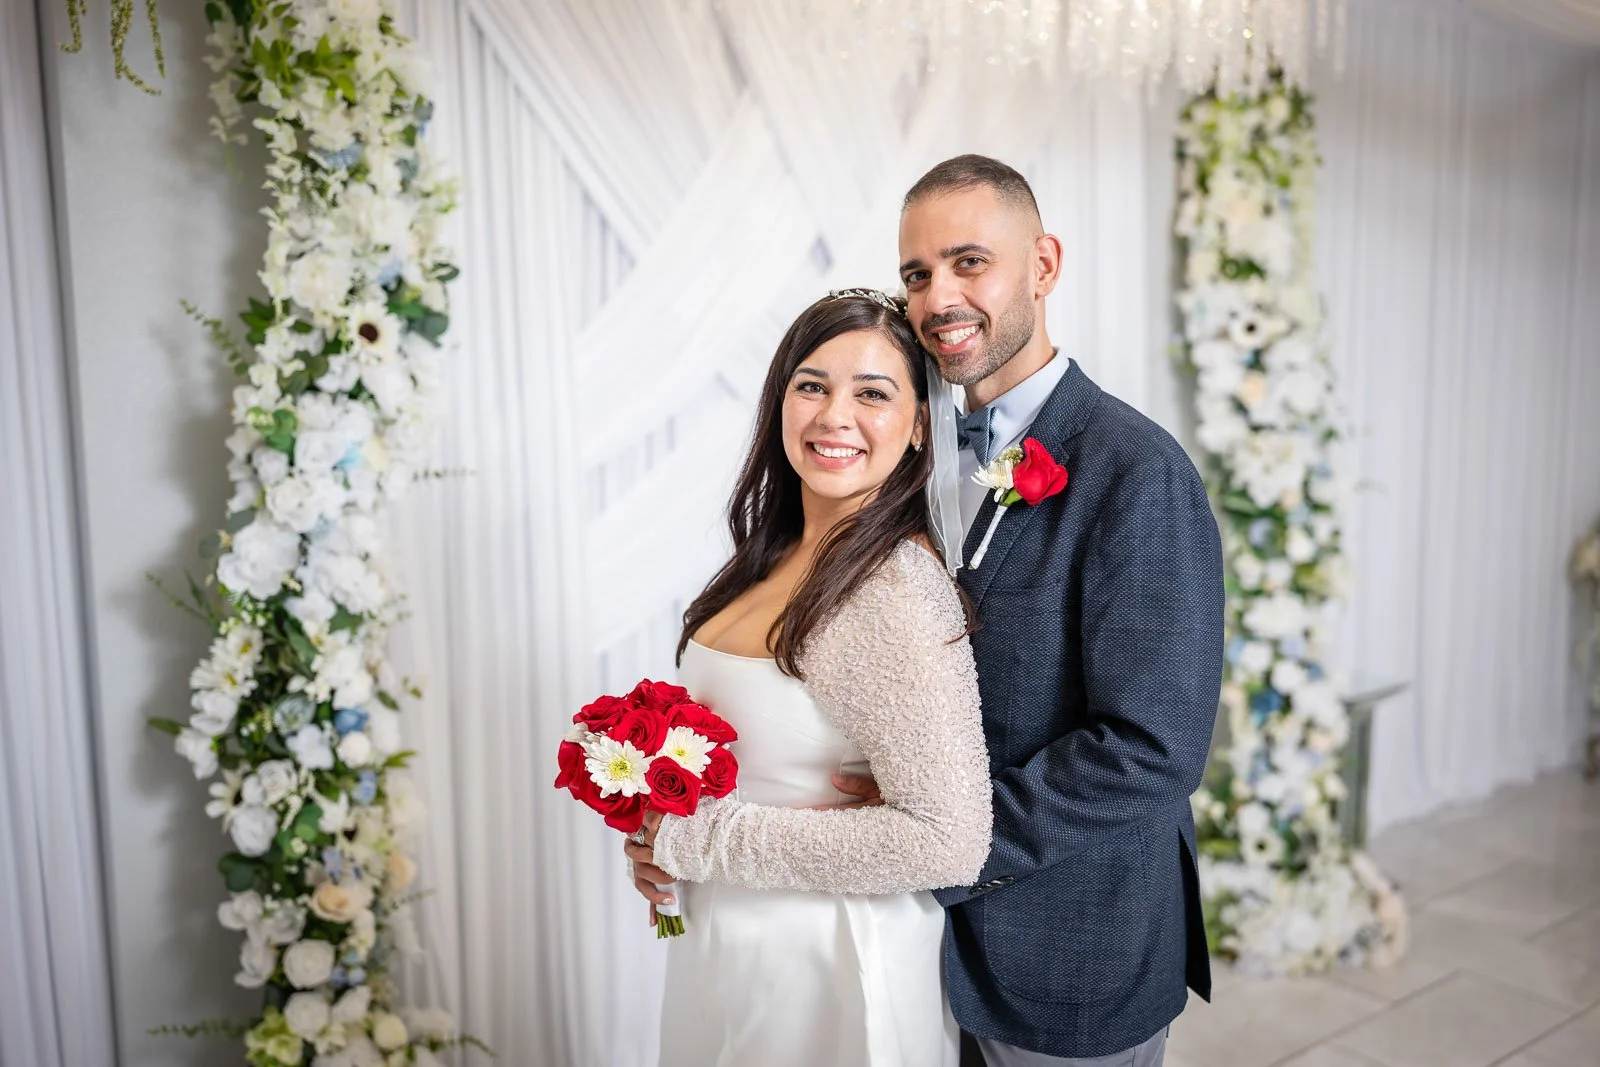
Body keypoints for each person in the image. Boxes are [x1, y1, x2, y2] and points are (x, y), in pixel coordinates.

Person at [837, 154, 1224, 1067]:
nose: (938, 298)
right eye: (917, 273)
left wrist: (935, 842)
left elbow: (1152, 750)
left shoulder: (1138, 473)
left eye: (970, 262)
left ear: (1044, 265)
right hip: (923, 957)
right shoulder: (904, 452)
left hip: (1071, 949)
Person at [625, 290, 993, 1067]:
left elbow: (949, 840)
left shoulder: (892, 586)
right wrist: (660, 835)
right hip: (728, 950)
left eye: (872, 393)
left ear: (921, 423)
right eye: (812, 384)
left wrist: (702, 840)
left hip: (830, 967)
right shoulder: (768, 554)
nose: (834, 415)